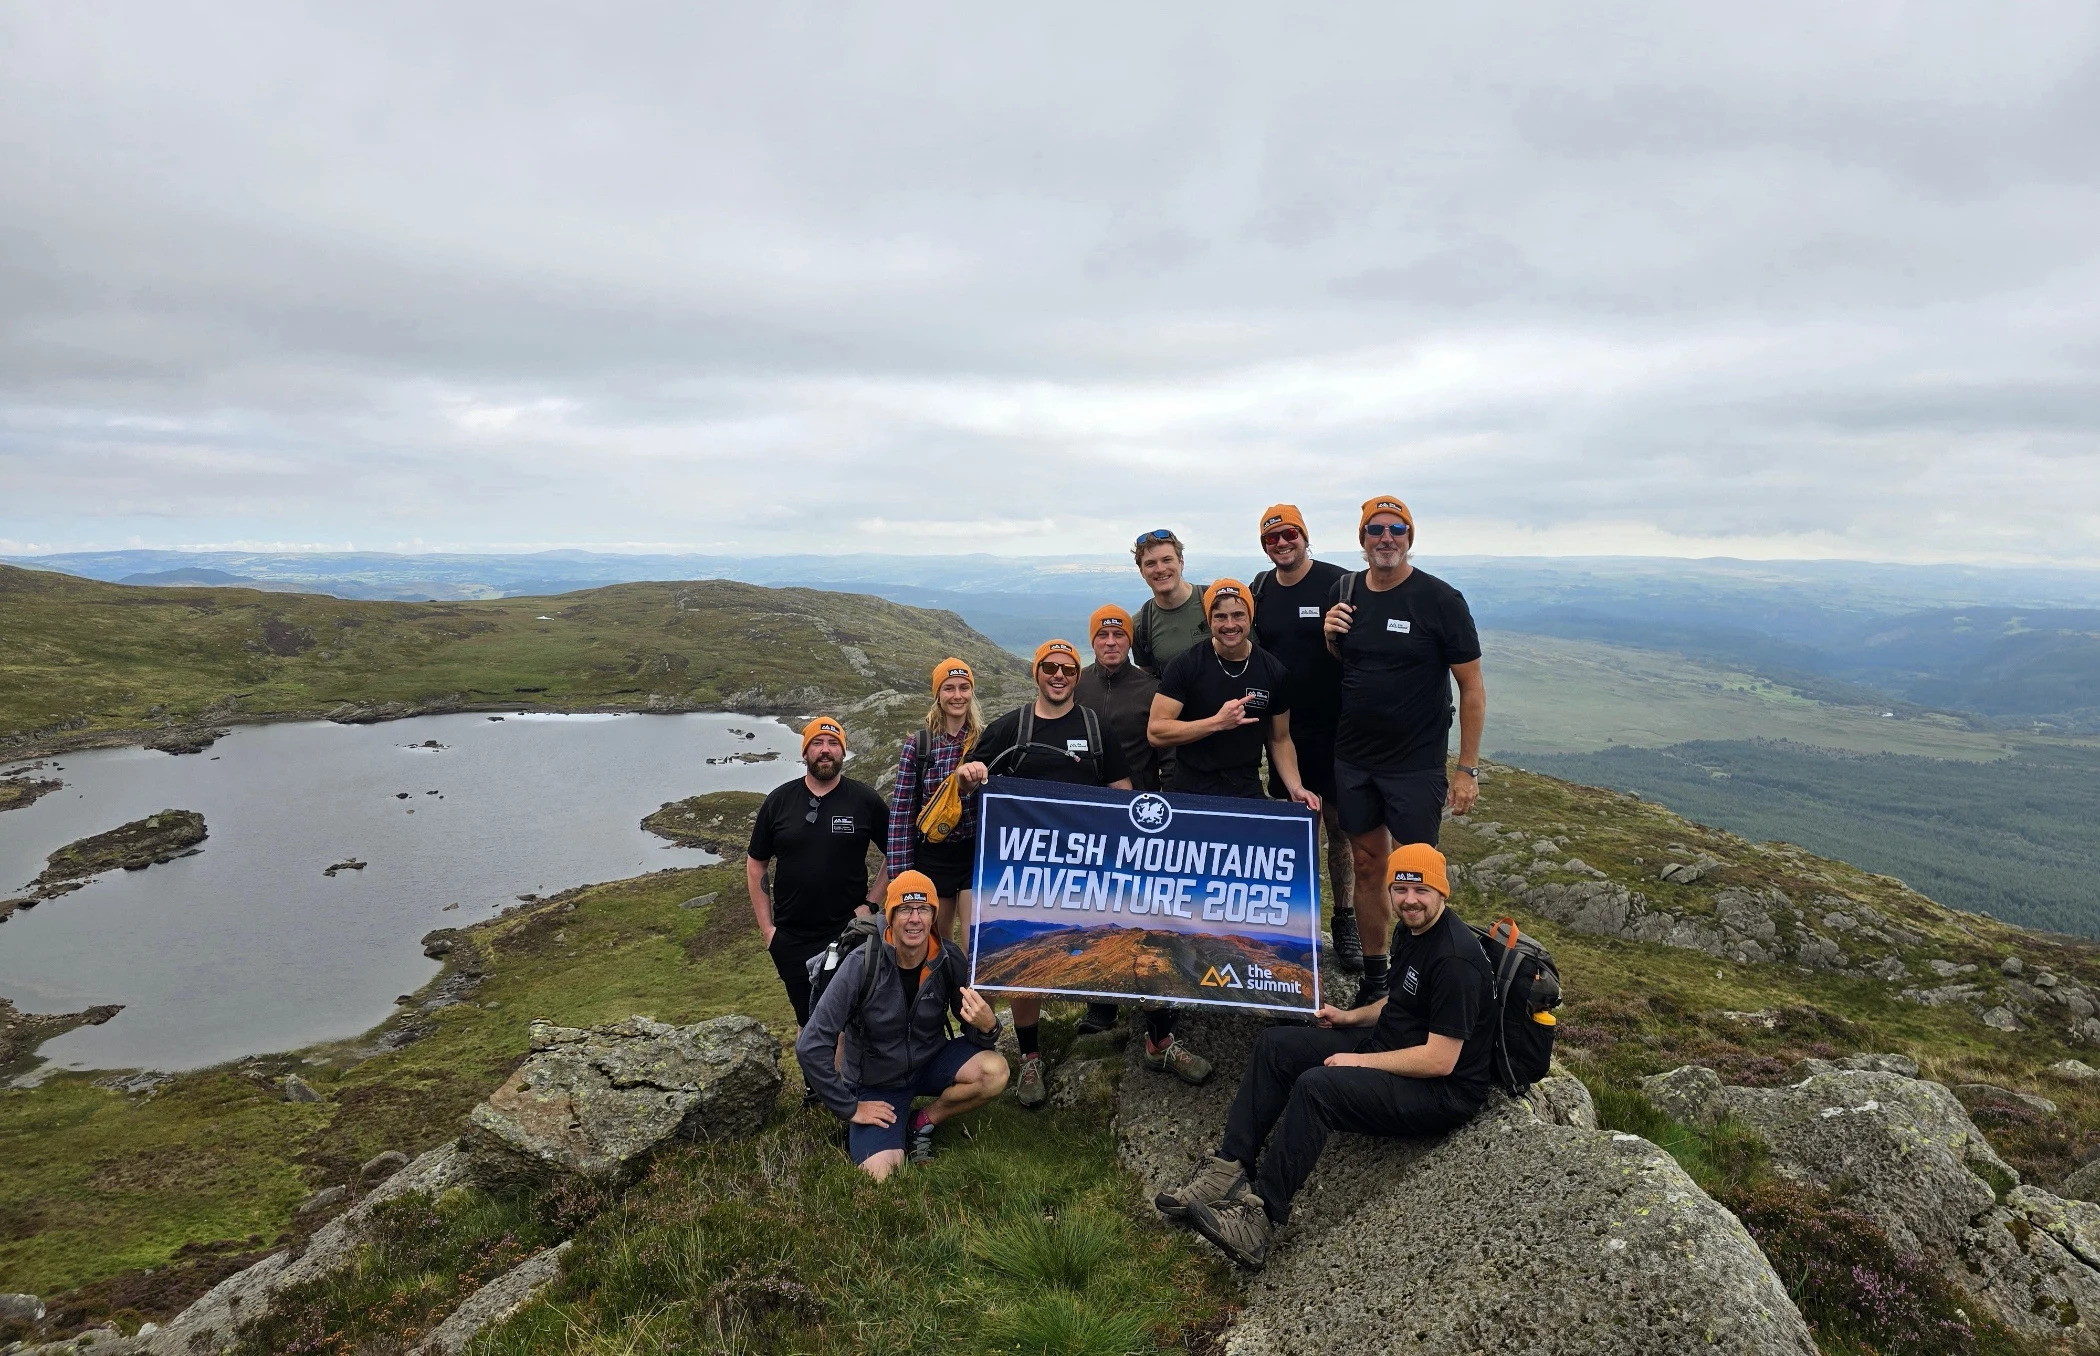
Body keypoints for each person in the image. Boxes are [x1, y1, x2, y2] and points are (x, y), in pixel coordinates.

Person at [1155, 844, 1495, 1270]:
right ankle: (1229, 1168)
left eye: (1421, 890)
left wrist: (1359, 1063)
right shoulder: (1412, 930)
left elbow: (1440, 1059)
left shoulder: (1456, 959)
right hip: (1390, 1044)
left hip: (1441, 1090)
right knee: (1276, 1046)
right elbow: (1400, 1002)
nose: (1410, 899)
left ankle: (1259, 1221)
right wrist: (1350, 1017)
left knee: (1319, 1088)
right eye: (1401, 888)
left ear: (1442, 893)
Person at [958, 638, 1154, 1108]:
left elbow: (1121, 792)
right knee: (1026, 957)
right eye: (1050, 667)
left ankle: (1142, 1034)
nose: (1059, 675)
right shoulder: (1012, 726)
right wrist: (970, 775)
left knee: (1117, 942)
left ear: (1075, 673)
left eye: (1067, 668)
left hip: (1087, 867)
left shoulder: (1095, 727)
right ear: (1037, 672)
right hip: (1024, 870)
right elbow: (972, 774)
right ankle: (1029, 1057)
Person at [1321, 496, 1485, 1005]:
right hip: (1353, 759)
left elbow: (1471, 687)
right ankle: (1376, 978)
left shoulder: (1440, 600)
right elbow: (1346, 662)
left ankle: (1423, 984)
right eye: (1375, 530)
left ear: (1409, 538)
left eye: (1396, 529)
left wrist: (1466, 770)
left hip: (1414, 765)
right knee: (1369, 865)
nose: (1385, 538)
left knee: (1417, 876)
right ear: (1362, 538)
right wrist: (1329, 637)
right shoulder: (1345, 591)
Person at [794, 871, 1008, 1180]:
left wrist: (988, 1027)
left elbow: (974, 1030)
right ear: (891, 916)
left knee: (995, 1072)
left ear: (934, 914)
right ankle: (871, 1130)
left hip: (929, 1062)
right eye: (905, 909)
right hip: (876, 1085)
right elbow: (810, 1045)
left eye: (923, 909)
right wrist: (851, 1108)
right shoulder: (861, 965)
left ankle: (921, 1121)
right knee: (881, 1176)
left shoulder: (948, 960)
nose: (915, 919)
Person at [1248, 504, 1361, 973]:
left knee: (1341, 829)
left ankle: (1346, 922)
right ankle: (1301, 925)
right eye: (1271, 539)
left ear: (1304, 536)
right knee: (1298, 829)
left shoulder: (1341, 583)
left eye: (1288, 535)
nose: (1281, 544)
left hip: (1338, 728)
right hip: (1284, 733)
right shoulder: (1260, 588)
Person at [746, 715, 889, 1027]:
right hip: (790, 938)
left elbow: (897, 850)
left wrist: (872, 905)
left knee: (846, 1021)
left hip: (846, 933)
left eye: (834, 743)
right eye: (817, 743)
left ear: (843, 752)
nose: (826, 750)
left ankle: (843, 1077)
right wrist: (768, 931)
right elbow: (756, 862)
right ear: (805, 751)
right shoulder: (779, 801)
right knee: (807, 1023)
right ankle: (815, 1078)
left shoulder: (864, 800)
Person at [1071, 604, 1162, 1037]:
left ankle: (1151, 1001)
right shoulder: (1075, 683)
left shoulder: (1150, 687)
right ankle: (1101, 1004)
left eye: (1119, 636)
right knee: (1094, 906)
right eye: (1103, 637)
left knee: (1141, 906)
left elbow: (1168, 751)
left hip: (1139, 813)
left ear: (1130, 640)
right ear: (1093, 641)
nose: (1111, 643)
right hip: (1085, 816)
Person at [1148, 578, 1319, 809]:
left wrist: (1295, 787)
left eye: (1238, 615)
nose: (1230, 624)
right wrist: (1217, 723)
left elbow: (1280, 739)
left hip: (1245, 786)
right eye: (1220, 616)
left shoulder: (1274, 672)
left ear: (1251, 616)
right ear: (1209, 620)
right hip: (1191, 785)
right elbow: (1157, 731)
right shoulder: (1185, 665)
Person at [887, 657, 985, 946]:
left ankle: (965, 993)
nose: (957, 695)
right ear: (938, 696)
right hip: (932, 859)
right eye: (949, 688)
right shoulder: (918, 746)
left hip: (974, 856)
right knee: (936, 948)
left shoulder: (986, 741)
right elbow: (901, 816)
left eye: (964, 688)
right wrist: (900, 881)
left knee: (973, 949)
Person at [1129, 529, 1209, 673]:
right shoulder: (1141, 625)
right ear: (1141, 571)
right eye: (1150, 564)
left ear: (1181, 562)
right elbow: (1149, 679)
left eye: (1167, 560)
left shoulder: (1213, 601)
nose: (1160, 569)